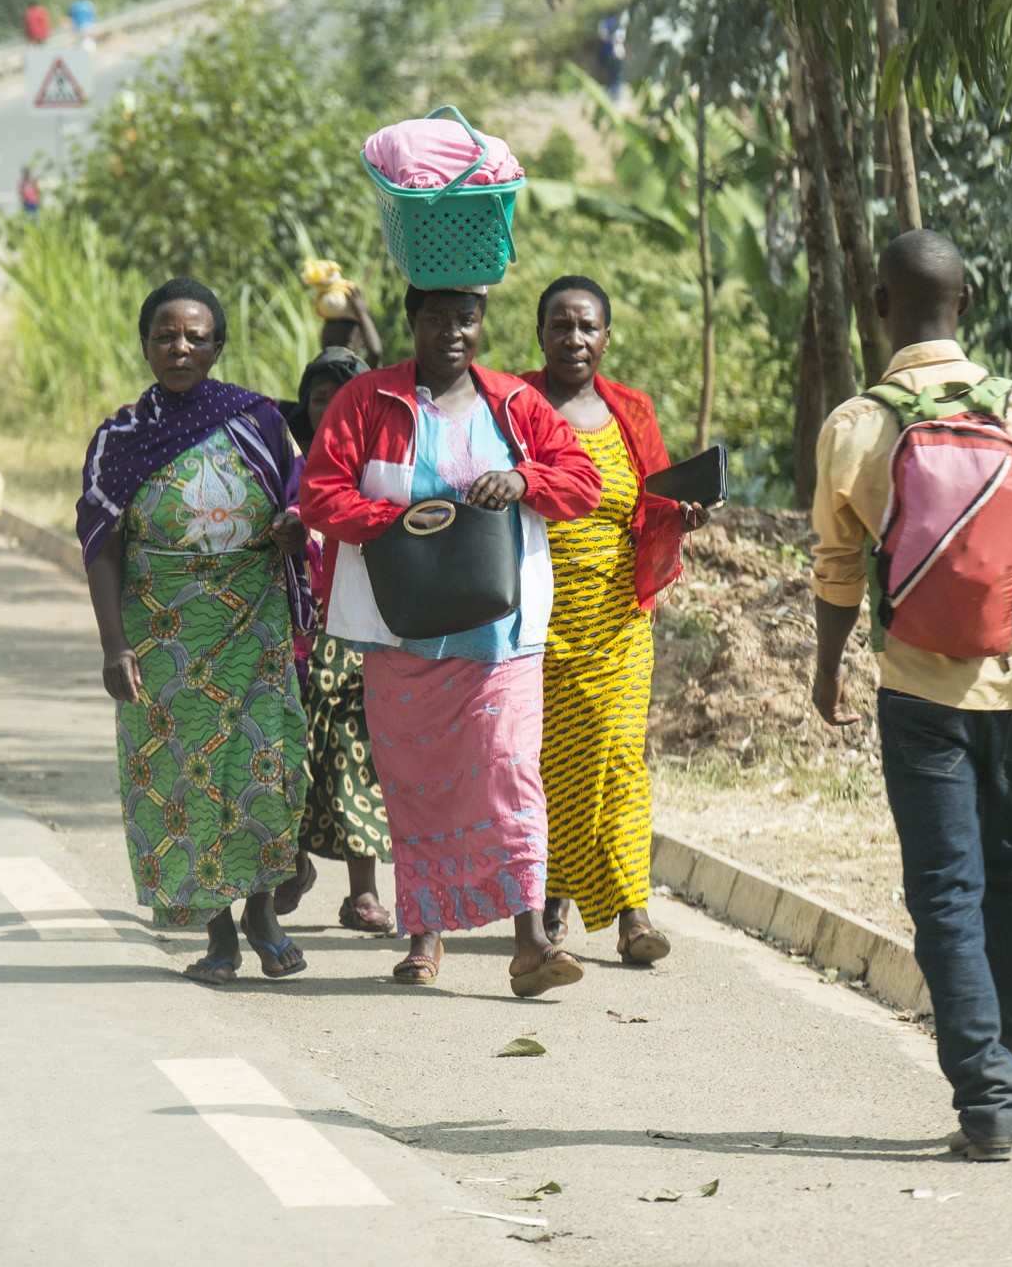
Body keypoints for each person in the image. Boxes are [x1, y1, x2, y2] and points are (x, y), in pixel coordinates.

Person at [809, 229, 1012, 1162]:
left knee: (944, 890)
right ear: (965, 304)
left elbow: (839, 568)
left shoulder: (855, 424)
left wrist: (826, 668)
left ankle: (985, 1091)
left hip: (917, 691)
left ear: (880, 306)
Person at [300, 285, 601, 995]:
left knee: (507, 773)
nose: (451, 331)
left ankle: (530, 942)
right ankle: (423, 936)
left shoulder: (516, 406)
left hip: (501, 633)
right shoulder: (370, 400)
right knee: (418, 788)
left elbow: (582, 483)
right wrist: (399, 517)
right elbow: (319, 492)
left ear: (482, 322)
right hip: (400, 633)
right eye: (435, 317)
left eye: (464, 317)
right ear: (411, 321)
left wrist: (522, 477)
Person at [80, 278, 315, 986]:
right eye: (165, 336)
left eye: (195, 336)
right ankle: (219, 934)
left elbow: (302, 495)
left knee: (265, 768)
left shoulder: (260, 421)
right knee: (186, 781)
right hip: (165, 642)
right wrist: (113, 643)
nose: (179, 348)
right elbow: (100, 541)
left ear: (218, 345)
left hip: (255, 628)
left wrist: (292, 524)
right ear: (145, 343)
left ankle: (264, 913)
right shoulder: (122, 437)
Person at [519, 276, 711, 963]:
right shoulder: (514, 403)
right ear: (540, 333)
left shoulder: (631, 409)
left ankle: (633, 912)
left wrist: (681, 513)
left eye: (587, 327)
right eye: (561, 326)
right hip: (534, 616)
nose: (574, 338)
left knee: (620, 757)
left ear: (607, 336)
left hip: (618, 617)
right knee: (547, 762)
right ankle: (550, 899)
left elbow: (653, 497)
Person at [274, 347, 396, 934]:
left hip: (353, 634)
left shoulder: (375, 468)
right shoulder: (284, 463)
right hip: (290, 640)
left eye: (343, 398)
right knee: (286, 757)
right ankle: (291, 868)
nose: (331, 410)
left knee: (353, 759)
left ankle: (364, 894)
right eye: (321, 399)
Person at [319, 284, 383, 368]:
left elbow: (375, 352)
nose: (339, 334)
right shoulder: (320, 369)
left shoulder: (359, 370)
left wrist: (362, 313)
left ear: (362, 344)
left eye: (346, 333)